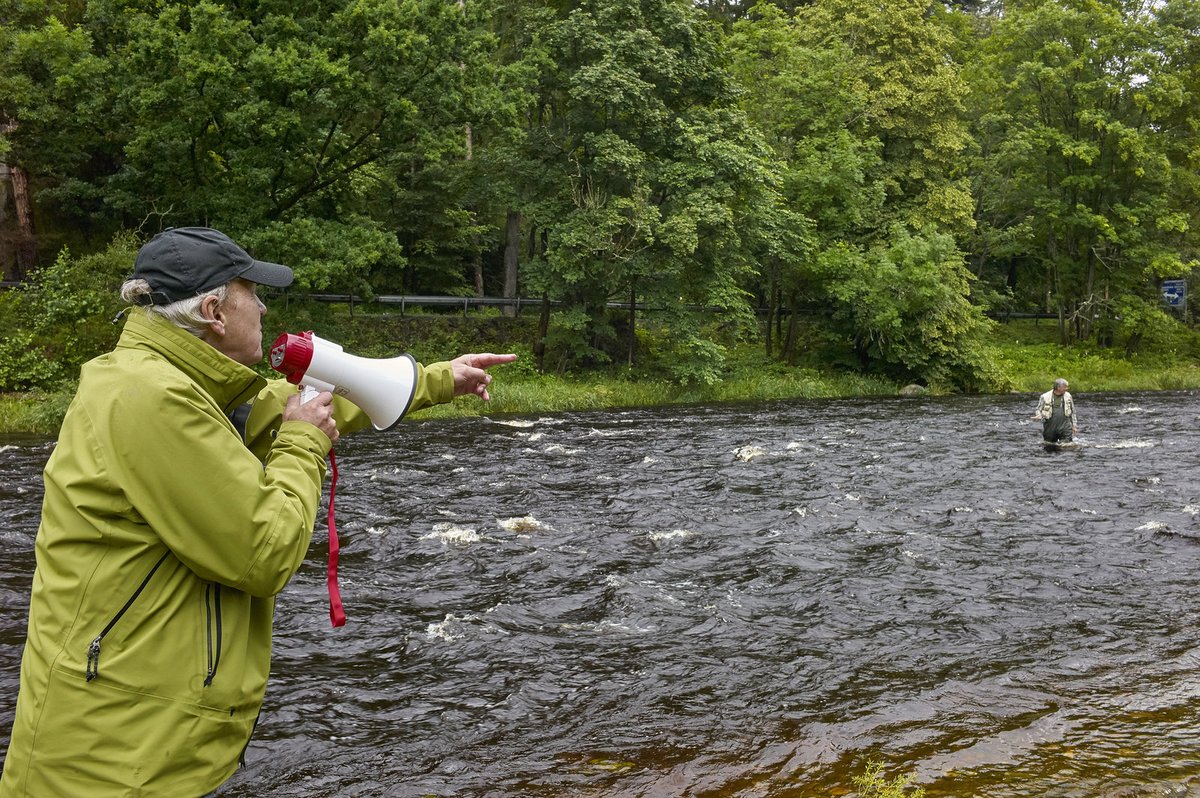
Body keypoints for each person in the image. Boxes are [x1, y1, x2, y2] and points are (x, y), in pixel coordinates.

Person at [0, 227, 516, 797]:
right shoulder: (150, 397)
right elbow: (264, 550)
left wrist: (442, 377)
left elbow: (309, 405)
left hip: (142, 741)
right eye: (253, 291)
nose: (265, 305)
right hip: (109, 763)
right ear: (216, 311)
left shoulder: (179, 385)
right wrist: (301, 446)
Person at [1032, 377, 1079, 443]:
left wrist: (1074, 426)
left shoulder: (1068, 396)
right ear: (1058, 388)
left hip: (1065, 426)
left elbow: (1073, 411)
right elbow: (1038, 409)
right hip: (1050, 427)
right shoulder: (1044, 396)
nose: (1067, 389)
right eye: (1065, 387)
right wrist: (1038, 415)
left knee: (1067, 447)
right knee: (1049, 446)